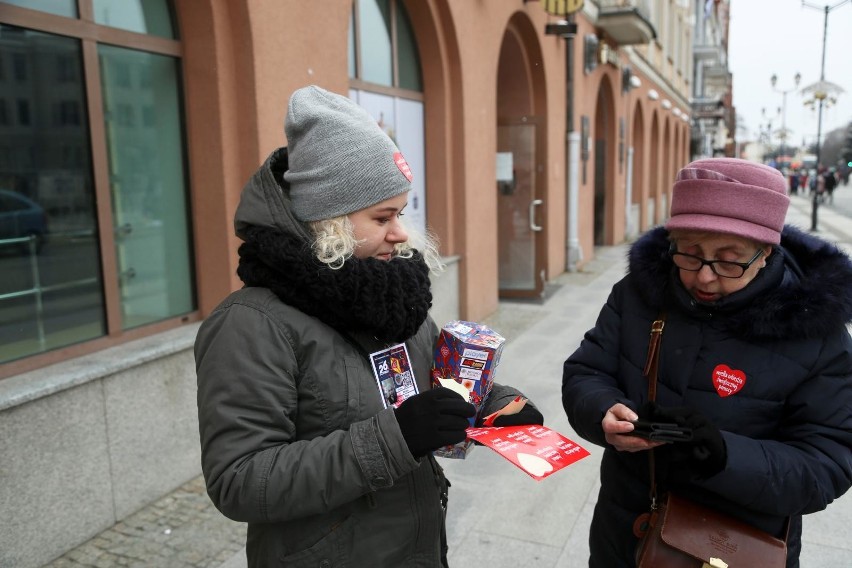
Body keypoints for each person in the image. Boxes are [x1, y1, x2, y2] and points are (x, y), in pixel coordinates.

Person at [195, 85, 543, 568]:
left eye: (400, 213)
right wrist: (395, 438)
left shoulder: (390, 291)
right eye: (382, 217)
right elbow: (240, 479)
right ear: (327, 220)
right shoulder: (251, 324)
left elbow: (437, 378)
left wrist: (494, 403)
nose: (400, 232)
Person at [561, 157, 852, 568]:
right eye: (690, 254)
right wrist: (603, 411)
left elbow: (829, 463)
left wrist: (726, 457)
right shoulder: (639, 294)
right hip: (627, 530)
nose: (705, 277)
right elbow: (587, 370)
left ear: (766, 252)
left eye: (730, 260)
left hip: (737, 546)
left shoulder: (816, 332)